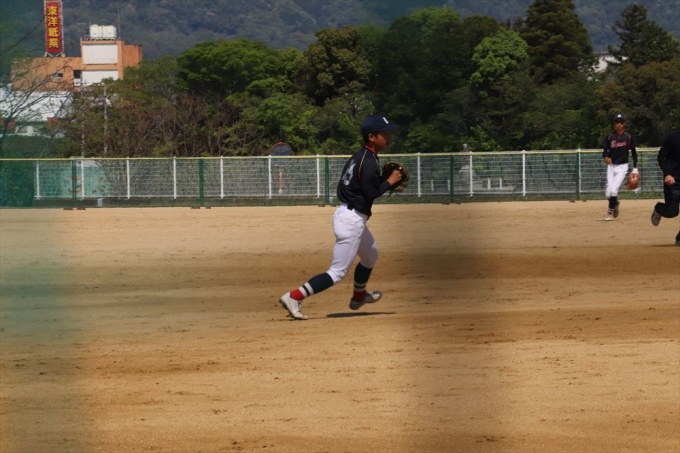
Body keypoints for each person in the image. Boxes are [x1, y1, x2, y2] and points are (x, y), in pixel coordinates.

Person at [278, 114, 404, 320]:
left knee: (371, 255)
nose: (389, 137)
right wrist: (389, 182)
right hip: (351, 220)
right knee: (337, 272)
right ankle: (294, 296)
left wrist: (382, 181)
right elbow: (370, 193)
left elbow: (358, 186)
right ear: (371, 137)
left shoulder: (360, 155)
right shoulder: (369, 161)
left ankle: (359, 297)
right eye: (385, 134)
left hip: (349, 215)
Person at [602, 113, 638, 221]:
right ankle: (615, 203)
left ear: (624, 123)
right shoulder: (610, 137)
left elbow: (634, 153)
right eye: (617, 122)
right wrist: (605, 157)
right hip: (611, 166)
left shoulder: (628, 137)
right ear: (614, 124)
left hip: (622, 166)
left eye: (621, 122)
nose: (619, 124)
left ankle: (609, 213)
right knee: (608, 194)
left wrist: (635, 168)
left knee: (614, 191)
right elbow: (604, 151)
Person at [650, 128, 680, 245]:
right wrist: (667, 174)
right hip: (673, 181)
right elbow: (661, 156)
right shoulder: (673, 137)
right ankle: (658, 209)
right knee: (671, 212)